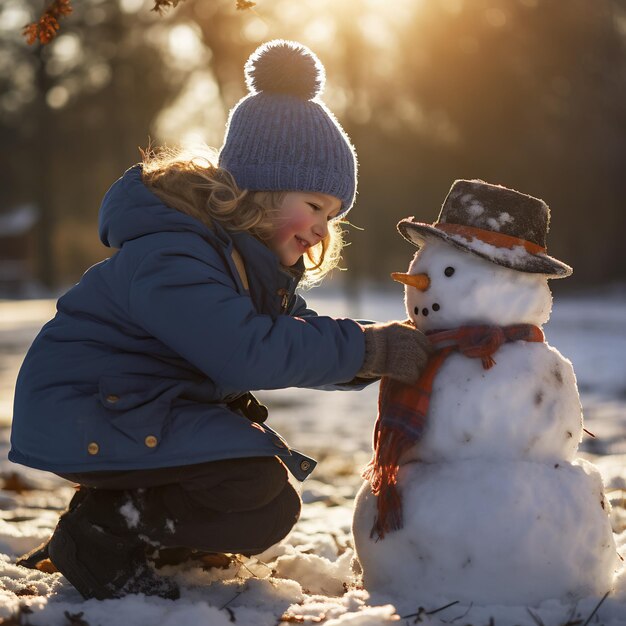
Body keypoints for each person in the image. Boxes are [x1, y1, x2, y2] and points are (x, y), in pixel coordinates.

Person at [9, 40, 431, 600]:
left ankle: (116, 523)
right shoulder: (175, 254)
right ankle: (103, 534)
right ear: (262, 190)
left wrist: (371, 352)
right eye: (315, 206)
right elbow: (246, 349)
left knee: (265, 497)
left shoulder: (240, 264)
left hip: (131, 409)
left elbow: (293, 332)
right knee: (250, 487)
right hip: (91, 407)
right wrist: (367, 349)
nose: (322, 230)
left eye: (332, 216)